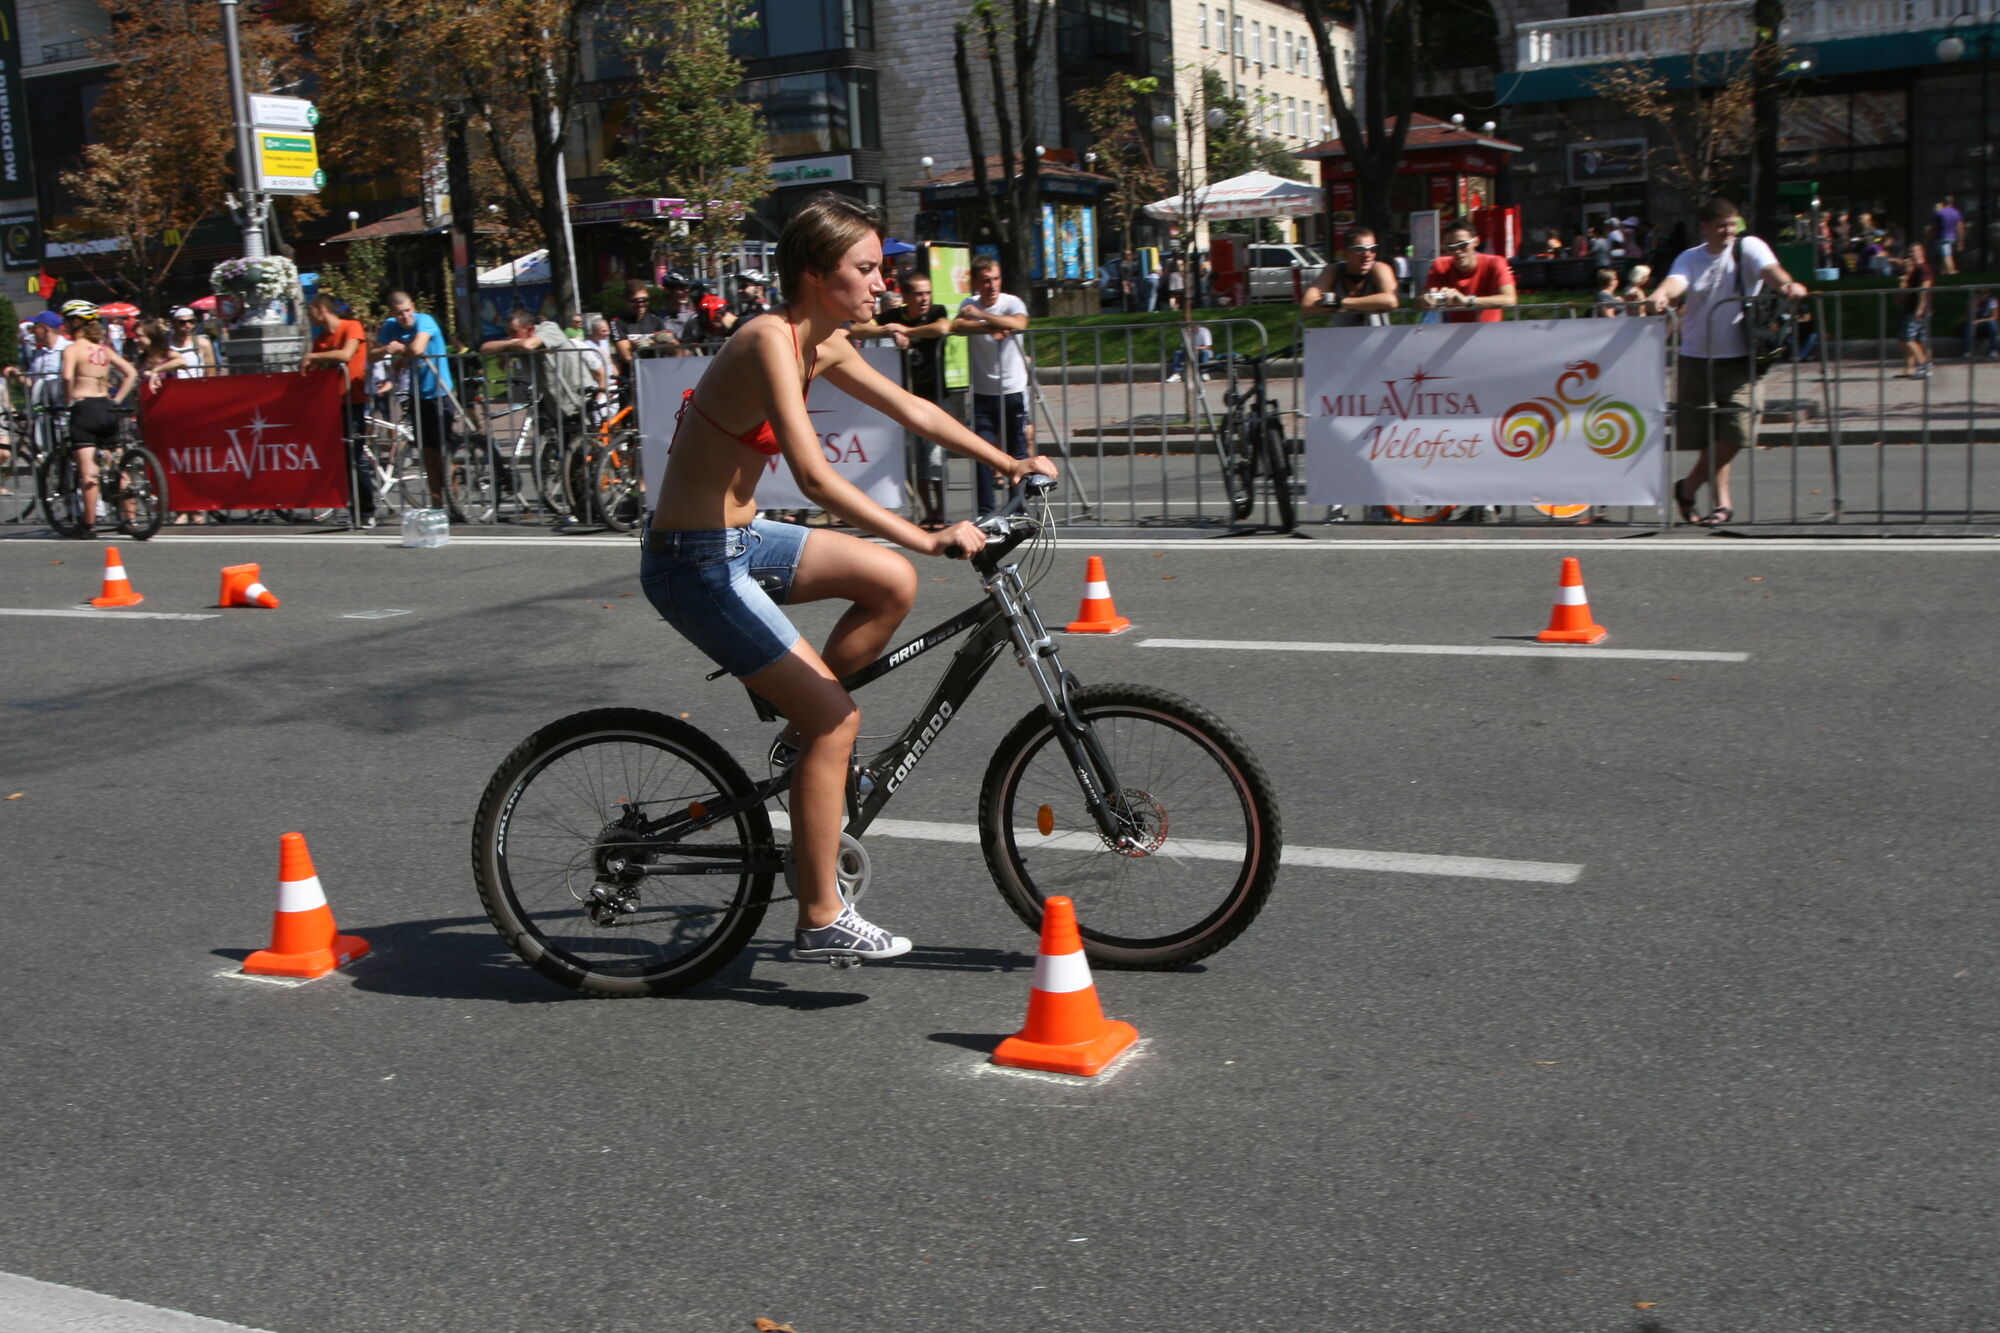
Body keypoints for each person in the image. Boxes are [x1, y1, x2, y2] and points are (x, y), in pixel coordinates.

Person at [640, 191, 1056, 963]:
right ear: (813, 274)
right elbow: (813, 475)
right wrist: (929, 534)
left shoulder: (824, 343)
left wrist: (1010, 463)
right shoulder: (769, 337)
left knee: (889, 582)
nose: (881, 285)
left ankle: (805, 737)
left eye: (880, 269)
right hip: (692, 560)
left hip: (741, 538)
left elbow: (915, 411)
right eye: (864, 269)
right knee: (840, 720)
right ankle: (820, 914)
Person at [1644, 196, 1810, 528]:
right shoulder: (1690, 258)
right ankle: (1723, 504)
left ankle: (1687, 487)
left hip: (1741, 359)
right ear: (1704, 227)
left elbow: (1770, 270)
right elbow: (1677, 283)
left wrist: (1787, 284)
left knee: (1737, 429)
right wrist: (1661, 294)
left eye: (1733, 224)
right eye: (1721, 226)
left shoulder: (1748, 247)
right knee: (1711, 437)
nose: (1728, 231)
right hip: (1696, 358)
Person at [851, 271, 952, 529]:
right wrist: (888, 330)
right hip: (902, 398)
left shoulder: (936, 311)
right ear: (906, 296)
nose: (925, 298)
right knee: (913, 461)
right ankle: (928, 512)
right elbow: (856, 329)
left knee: (933, 459)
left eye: (927, 292)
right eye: (918, 294)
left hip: (932, 398)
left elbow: (943, 327)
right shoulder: (893, 317)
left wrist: (909, 330)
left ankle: (940, 511)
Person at [953, 256, 1033, 515]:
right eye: (986, 280)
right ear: (976, 282)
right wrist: (991, 325)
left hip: (1012, 390)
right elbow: (956, 325)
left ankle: (1018, 509)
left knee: (1016, 454)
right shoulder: (968, 304)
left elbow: (1019, 323)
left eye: (996, 279)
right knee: (981, 453)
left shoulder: (1011, 302)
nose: (992, 285)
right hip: (982, 393)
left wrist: (980, 318)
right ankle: (986, 512)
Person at [57, 304, 138, 537]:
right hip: (107, 408)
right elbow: (131, 373)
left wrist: (68, 399)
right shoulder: (104, 349)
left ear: (75, 323)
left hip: (85, 409)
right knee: (118, 466)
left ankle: (88, 524)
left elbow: (66, 376)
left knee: (89, 472)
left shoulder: (72, 349)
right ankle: (129, 520)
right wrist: (117, 399)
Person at [374, 290, 456, 511]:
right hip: (418, 394)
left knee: (444, 451)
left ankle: (454, 498)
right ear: (392, 313)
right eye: (400, 313)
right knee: (428, 451)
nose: (406, 317)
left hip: (440, 391)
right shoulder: (391, 325)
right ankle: (437, 501)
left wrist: (399, 349)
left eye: (409, 310)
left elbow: (418, 348)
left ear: (414, 307)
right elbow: (371, 353)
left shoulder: (425, 320)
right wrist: (386, 349)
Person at [302, 293, 376, 527]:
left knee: (355, 456)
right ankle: (351, 508)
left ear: (321, 309)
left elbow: (346, 354)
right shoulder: (321, 338)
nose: (308, 316)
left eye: (310, 310)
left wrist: (314, 356)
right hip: (331, 404)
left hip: (353, 400)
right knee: (339, 459)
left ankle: (367, 510)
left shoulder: (351, 326)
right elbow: (311, 369)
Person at [1422, 220, 1517, 323]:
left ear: (1476, 242)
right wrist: (1428, 299)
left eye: (1462, 245)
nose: (1457, 251)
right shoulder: (1440, 264)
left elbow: (1510, 299)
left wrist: (1468, 300)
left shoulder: (1495, 262)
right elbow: (1422, 300)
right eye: (1450, 247)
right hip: (1451, 332)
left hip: (1488, 332)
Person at [1302, 226, 1399, 326]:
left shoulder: (1380, 268)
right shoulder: (1333, 270)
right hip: (1343, 338)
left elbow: (1391, 300)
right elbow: (1308, 304)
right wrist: (1370, 303)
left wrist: (1340, 302)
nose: (1367, 255)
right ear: (1345, 253)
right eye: (1359, 249)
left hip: (1377, 337)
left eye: (1373, 249)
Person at [1896, 242, 1935, 380]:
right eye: (1910, 251)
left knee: (1908, 339)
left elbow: (1925, 288)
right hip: (1912, 308)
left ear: (1921, 252)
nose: (1911, 254)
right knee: (1914, 340)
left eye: (1914, 251)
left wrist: (1920, 308)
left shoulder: (1923, 268)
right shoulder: (1916, 269)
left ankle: (1925, 366)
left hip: (1916, 310)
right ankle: (1919, 367)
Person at [165, 307, 217, 377]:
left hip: (196, 385)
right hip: (173, 385)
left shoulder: (203, 343)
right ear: (174, 323)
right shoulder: (165, 343)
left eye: (191, 321)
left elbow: (211, 373)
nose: (187, 325)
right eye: (182, 322)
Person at [1931, 197, 1963, 276]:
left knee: (1947, 255)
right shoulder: (1956, 212)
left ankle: (1951, 272)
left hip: (1942, 238)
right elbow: (1960, 227)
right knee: (1944, 256)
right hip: (1952, 238)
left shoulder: (1939, 212)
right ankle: (1943, 274)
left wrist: (1928, 238)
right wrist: (1960, 241)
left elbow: (1933, 227)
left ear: (1943, 203)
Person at [1965, 288, 1999, 359]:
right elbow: (1970, 317)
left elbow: (1995, 317)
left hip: (1986, 324)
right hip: (1976, 326)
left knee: (1993, 324)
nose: (1981, 295)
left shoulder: (1992, 301)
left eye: (1984, 293)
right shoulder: (1972, 301)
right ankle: (1968, 351)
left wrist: (1981, 321)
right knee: (1969, 326)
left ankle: (1993, 351)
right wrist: (1975, 305)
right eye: (1979, 293)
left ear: (1988, 293)